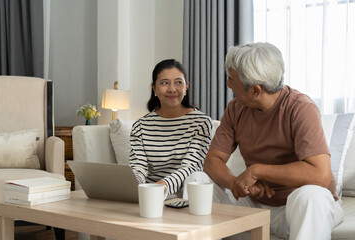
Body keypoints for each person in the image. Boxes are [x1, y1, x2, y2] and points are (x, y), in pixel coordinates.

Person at [203, 42, 344, 240]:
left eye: (231, 79)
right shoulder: (235, 109)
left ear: (255, 90)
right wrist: (237, 184)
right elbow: (212, 161)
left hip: (295, 211)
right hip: (254, 207)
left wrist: (257, 170)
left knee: (311, 197)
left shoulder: (301, 108)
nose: (228, 84)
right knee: (198, 181)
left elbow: (320, 175)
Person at [129, 59, 212, 196]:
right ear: (154, 88)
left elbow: (190, 167)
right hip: (149, 195)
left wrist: (160, 187)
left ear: (186, 87)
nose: (172, 89)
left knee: (197, 176)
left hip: (185, 194)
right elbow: (138, 167)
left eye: (178, 82)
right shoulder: (140, 126)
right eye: (164, 83)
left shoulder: (201, 122)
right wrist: (134, 189)